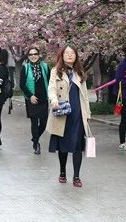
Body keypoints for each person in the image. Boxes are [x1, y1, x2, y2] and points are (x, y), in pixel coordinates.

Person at [46, 45, 91, 188]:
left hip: (78, 113)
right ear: (62, 55)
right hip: (63, 112)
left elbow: (85, 95)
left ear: (76, 56)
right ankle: (62, 172)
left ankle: (76, 176)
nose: (70, 55)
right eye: (67, 53)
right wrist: (53, 100)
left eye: (72, 53)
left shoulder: (79, 72)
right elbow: (51, 88)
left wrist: (88, 113)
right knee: (63, 145)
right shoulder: (56, 71)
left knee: (78, 145)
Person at [20, 45, 50, 154]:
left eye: (35, 54)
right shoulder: (26, 67)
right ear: (28, 56)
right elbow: (22, 84)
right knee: (34, 122)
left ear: (39, 55)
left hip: (43, 98)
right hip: (31, 99)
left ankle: (35, 137)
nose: (33, 56)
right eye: (31, 54)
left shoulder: (45, 67)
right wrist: (30, 95)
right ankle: (36, 144)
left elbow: (50, 82)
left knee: (44, 123)